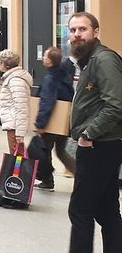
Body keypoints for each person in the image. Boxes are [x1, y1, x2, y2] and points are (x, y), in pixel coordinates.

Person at [38, 12, 122, 253]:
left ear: (96, 32)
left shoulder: (103, 60)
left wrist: (88, 134)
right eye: (72, 30)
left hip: (100, 145)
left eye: (82, 29)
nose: (76, 35)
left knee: (81, 210)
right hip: (103, 144)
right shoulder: (88, 62)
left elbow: (116, 105)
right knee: (108, 212)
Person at [34, 47, 76, 191]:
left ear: (50, 61)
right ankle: (82, 177)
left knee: (43, 149)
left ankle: (47, 180)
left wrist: (41, 123)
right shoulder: (65, 76)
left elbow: (47, 101)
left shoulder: (50, 79)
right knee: (61, 151)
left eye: (45, 56)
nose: (43, 58)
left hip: (52, 122)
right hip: (63, 122)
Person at [0, 49, 33, 154]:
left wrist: (20, 133)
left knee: (17, 156)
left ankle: (20, 171)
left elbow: (21, 106)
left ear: (6, 65)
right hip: (13, 124)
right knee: (18, 155)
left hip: (14, 125)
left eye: (0, 63)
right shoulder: (13, 78)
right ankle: (18, 171)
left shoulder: (15, 80)